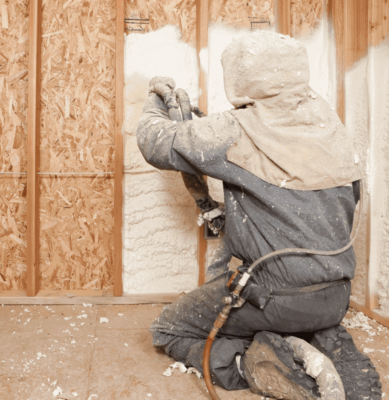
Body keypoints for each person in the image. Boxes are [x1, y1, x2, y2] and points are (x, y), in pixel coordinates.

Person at [136, 31, 381, 400]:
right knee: (283, 304)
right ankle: (316, 342)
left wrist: (155, 101)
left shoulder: (238, 130)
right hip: (335, 298)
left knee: (169, 330)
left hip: (278, 299)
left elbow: (155, 142)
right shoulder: (328, 123)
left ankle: (247, 365)